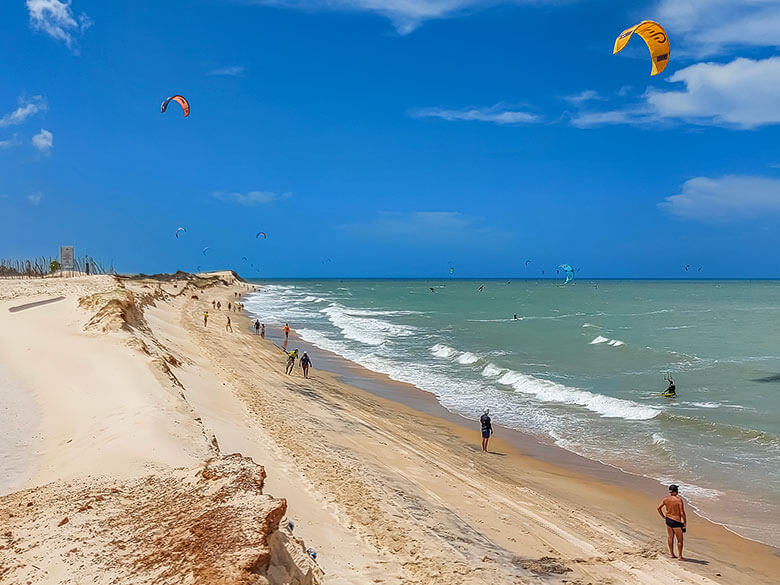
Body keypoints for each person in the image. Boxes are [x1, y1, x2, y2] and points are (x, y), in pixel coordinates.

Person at [657, 484, 687, 559]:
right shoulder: (678, 500)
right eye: (677, 490)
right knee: (680, 539)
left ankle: (672, 554)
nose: (677, 492)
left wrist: (663, 516)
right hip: (676, 521)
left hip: (668, 520)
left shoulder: (666, 499)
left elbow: (658, 508)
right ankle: (680, 556)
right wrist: (685, 522)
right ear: (675, 492)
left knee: (670, 537)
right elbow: (682, 513)